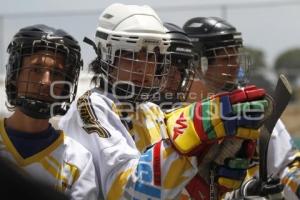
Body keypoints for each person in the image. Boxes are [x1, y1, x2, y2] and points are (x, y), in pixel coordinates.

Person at [59, 3, 271, 199]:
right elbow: (125, 190)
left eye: (152, 57)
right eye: (133, 55)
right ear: (107, 54)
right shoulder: (92, 107)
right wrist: (188, 135)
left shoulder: (151, 111)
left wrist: (207, 179)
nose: (144, 67)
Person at [183, 16, 300, 200]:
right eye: (225, 59)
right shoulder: (175, 117)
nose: (234, 65)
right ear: (197, 64)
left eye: (235, 56)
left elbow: (285, 164)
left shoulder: (252, 109)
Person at [1, 24, 98, 199]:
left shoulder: (77, 161)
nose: (46, 82)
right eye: (36, 70)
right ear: (15, 75)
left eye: (56, 74)